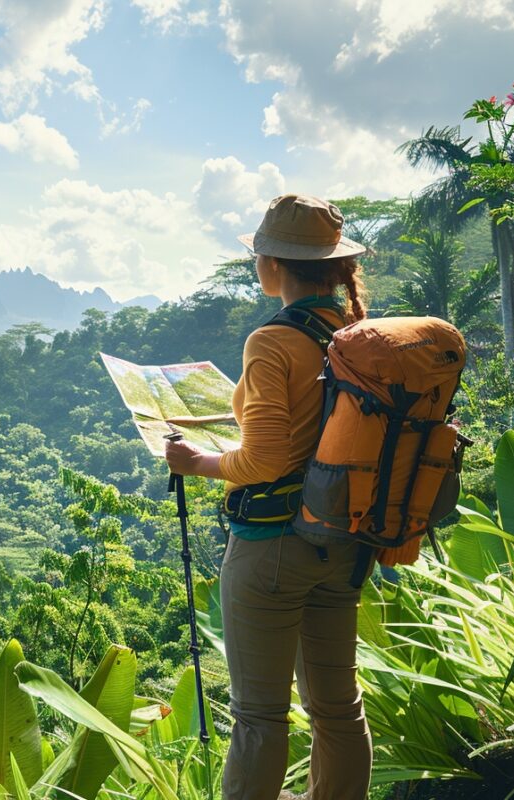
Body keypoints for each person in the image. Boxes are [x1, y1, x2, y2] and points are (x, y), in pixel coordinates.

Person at [165, 193, 373, 800]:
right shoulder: (352, 330)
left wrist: (193, 460)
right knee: (338, 706)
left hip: (272, 549)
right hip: (341, 542)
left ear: (273, 265)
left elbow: (264, 460)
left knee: (259, 717)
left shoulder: (272, 342)